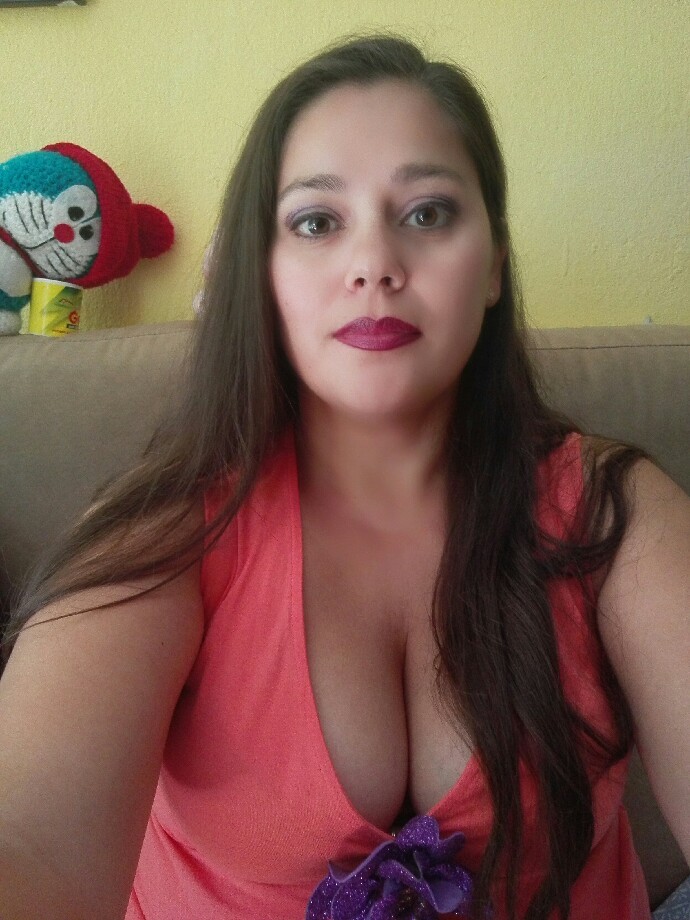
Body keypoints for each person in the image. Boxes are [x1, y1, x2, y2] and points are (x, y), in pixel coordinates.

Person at [0, 35, 688, 920]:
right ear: (263, 273)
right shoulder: (164, 533)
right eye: (317, 223)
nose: (375, 265)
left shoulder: (617, 514)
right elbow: (32, 841)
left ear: (494, 265)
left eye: (428, 212)